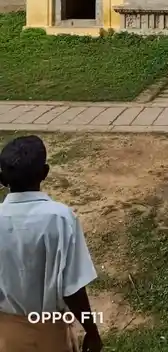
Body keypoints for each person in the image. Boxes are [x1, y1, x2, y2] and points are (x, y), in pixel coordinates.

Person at [0, 136, 102, 352]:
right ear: (45, 172)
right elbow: (72, 289)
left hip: (6, 333)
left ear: (2, 179)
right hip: (51, 332)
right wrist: (91, 331)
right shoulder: (61, 218)